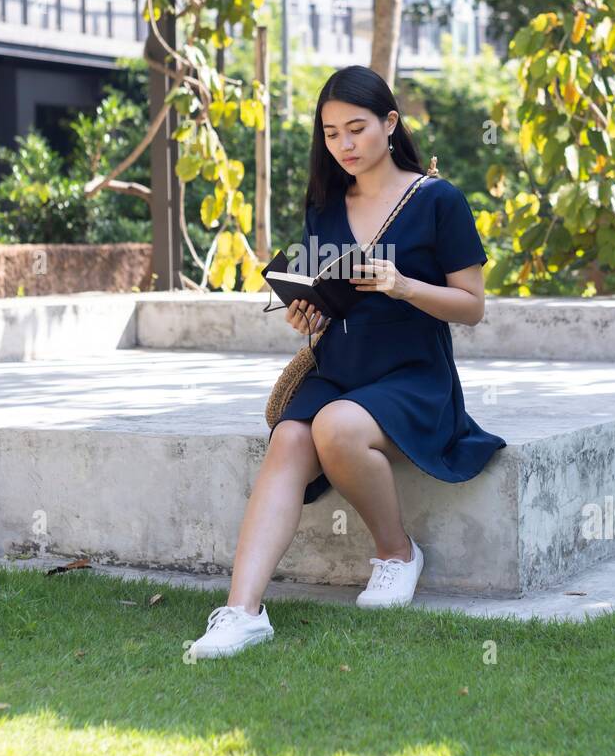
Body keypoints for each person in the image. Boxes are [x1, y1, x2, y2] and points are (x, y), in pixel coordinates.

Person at [187, 64, 507, 659]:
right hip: (339, 364)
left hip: (413, 373)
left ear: (390, 123)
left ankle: (397, 553)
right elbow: (327, 295)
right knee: (289, 439)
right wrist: (309, 314)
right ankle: (241, 612)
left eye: (356, 129)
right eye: (331, 134)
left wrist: (404, 285)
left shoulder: (439, 200)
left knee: (335, 426)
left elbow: (472, 307)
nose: (345, 145)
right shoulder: (326, 206)